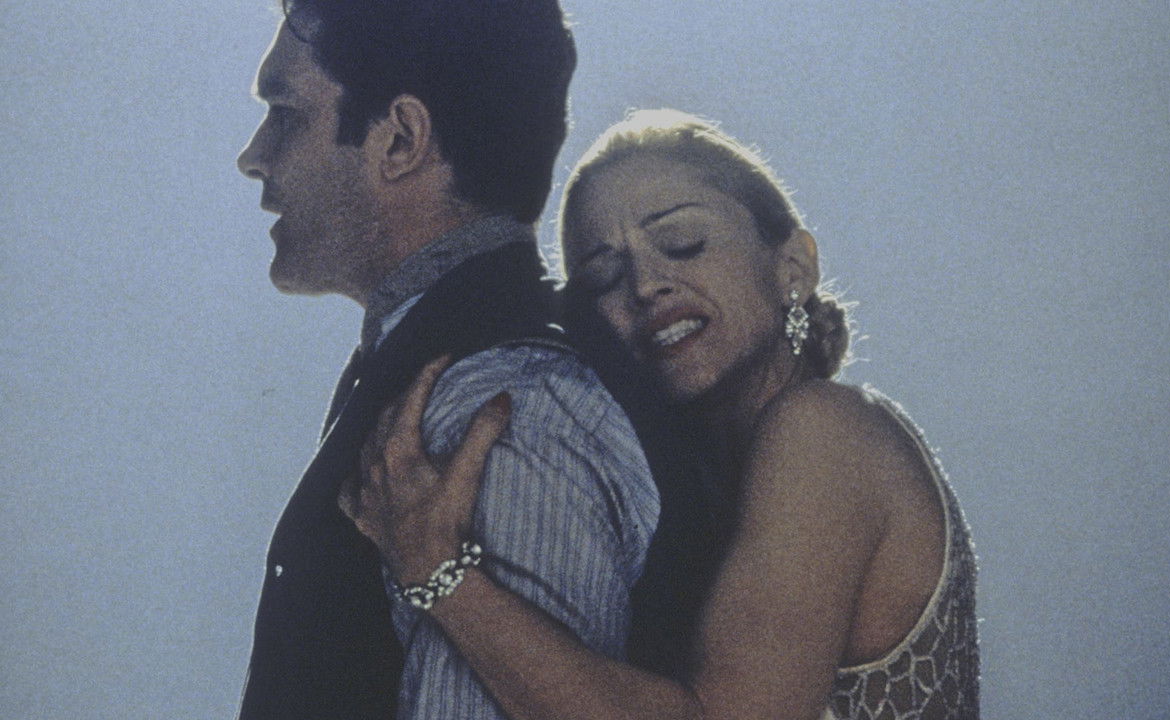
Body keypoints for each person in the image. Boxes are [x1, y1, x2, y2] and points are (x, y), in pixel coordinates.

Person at [344, 109, 981, 719]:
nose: (646, 284)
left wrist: (441, 575)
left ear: (793, 266)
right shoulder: (691, 497)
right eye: (603, 277)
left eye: (682, 243)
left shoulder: (825, 431)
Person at [233, 3, 659, 719]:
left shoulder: (505, 404)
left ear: (401, 139)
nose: (253, 156)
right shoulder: (449, 373)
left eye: (286, 114)